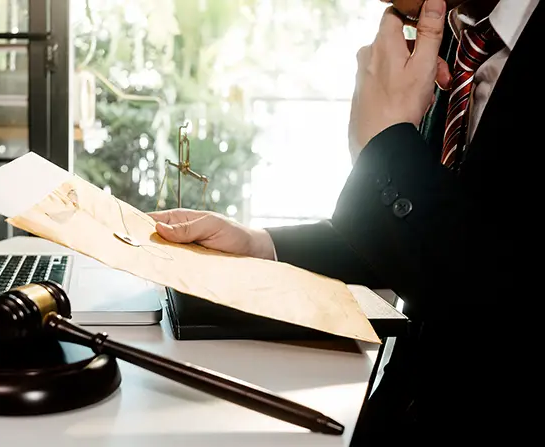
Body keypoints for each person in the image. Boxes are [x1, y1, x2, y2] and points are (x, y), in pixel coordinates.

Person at [150, 0, 540, 444]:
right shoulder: (455, 29)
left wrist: (383, 145)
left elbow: (494, 304)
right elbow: (432, 240)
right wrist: (263, 246)